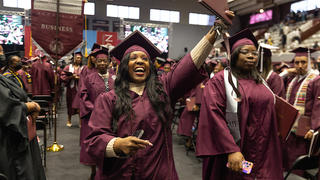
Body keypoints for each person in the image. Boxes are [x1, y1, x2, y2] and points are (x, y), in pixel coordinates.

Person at [84, 11, 234, 179]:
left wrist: (215, 30)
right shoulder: (108, 99)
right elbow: (93, 141)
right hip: (121, 173)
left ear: (150, 66)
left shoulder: (163, 90)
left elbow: (188, 65)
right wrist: (117, 144)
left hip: (159, 173)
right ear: (124, 66)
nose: (140, 61)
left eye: (144, 59)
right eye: (133, 58)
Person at [196, 29, 283, 179]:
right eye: (245, 52)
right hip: (234, 151)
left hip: (263, 149)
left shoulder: (261, 82)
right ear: (234, 55)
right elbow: (214, 116)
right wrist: (231, 149)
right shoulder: (220, 81)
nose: (251, 56)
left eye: (254, 53)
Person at [0, 69, 45, 179]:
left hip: (19, 135)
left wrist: (29, 104)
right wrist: (31, 106)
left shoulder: (3, 78)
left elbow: (20, 96)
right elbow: (7, 108)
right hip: (7, 142)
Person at [280, 47, 318, 175]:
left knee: (298, 166)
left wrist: (313, 128)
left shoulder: (315, 80)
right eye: (297, 62)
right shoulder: (293, 80)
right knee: (286, 163)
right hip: (290, 130)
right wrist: (285, 73)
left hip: (304, 132)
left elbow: (318, 106)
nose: (300, 66)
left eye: (303, 62)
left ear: (310, 63)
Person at [79, 48, 115, 180]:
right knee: (95, 143)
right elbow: (83, 95)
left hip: (112, 116)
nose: (102, 64)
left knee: (109, 142)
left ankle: (106, 169)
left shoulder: (115, 77)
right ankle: (94, 171)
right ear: (95, 63)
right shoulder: (89, 78)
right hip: (93, 116)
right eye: (99, 61)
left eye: (104, 61)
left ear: (108, 62)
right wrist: (95, 109)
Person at [61, 52, 83, 127]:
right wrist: (71, 77)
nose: (79, 59)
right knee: (70, 104)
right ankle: (69, 120)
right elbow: (62, 77)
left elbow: (87, 78)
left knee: (80, 105)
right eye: (77, 58)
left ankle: (80, 122)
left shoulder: (83, 68)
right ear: (73, 59)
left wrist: (79, 78)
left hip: (80, 89)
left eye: (80, 58)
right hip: (71, 89)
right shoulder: (68, 67)